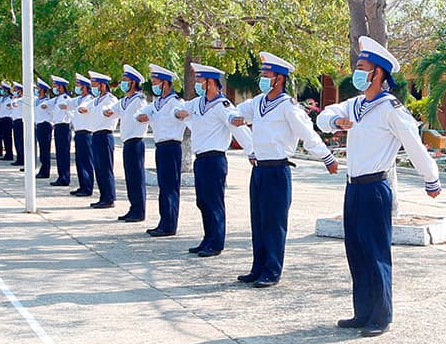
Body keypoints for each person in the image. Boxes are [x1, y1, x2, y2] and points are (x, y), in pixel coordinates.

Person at [317, 36, 443, 335]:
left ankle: (381, 315)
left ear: (379, 74)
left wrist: (431, 178)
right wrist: (336, 122)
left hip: (375, 188)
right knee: (356, 250)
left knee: (375, 251)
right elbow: (324, 116)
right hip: (354, 187)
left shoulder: (391, 108)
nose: (357, 73)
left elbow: (414, 144)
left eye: (363, 68)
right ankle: (362, 311)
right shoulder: (356, 105)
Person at [228, 52, 339, 288]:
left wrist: (327, 157)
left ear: (279, 79)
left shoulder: (289, 107)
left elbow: (307, 135)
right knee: (258, 220)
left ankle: (272, 270)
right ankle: (258, 267)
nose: (263, 79)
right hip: (259, 169)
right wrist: (236, 118)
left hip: (278, 169)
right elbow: (236, 111)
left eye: (267, 75)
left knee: (274, 222)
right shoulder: (258, 102)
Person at [181, 62, 252, 257]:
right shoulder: (198, 103)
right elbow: (181, 110)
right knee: (202, 201)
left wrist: (252, 151)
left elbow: (237, 126)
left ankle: (216, 242)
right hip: (200, 158)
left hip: (215, 159)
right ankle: (207, 238)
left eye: (200, 80)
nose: (197, 83)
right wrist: (177, 113)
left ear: (210, 82)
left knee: (214, 202)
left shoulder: (223, 105)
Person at [140, 65, 186, 237]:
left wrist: (179, 114)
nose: (154, 85)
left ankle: (170, 224)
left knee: (170, 187)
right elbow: (141, 114)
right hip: (160, 147)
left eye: (156, 82)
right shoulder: (157, 103)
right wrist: (145, 116)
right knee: (163, 186)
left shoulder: (175, 102)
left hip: (172, 147)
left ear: (166, 83)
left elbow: (179, 113)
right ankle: (163, 220)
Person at [116, 65, 151, 223]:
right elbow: (113, 109)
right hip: (127, 142)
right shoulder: (125, 100)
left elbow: (145, 114)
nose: (123, 83)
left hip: (136, 141)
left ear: (134, 83)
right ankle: (133, 207)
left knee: (136, 177)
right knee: (130, 177)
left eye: (126, 80)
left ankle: (139, 210)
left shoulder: (139, 100)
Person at [87, 71, 121, 208]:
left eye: (95, 85)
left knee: (106, 167)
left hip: (105, 135)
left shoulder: (110, 99)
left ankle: (109, 197)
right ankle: (103, 196)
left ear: (102, 85)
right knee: (99, 168)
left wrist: (107, 110)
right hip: (95, 135)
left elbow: (111, 109)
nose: (93, 88)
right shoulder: (96, 100)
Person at [71, 75, 96, 196]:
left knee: (86, 161)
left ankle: (87, 187)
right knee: (80, 161)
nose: (76, 87)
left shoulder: (89, 99)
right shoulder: (79, 99)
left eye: (78, 85)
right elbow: (68, 103)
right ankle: (82, 186)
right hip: (79, 133)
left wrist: (81, 108)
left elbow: (83, 108)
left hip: (86, 133)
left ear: (85, 87)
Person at [48, 76, 75, 187]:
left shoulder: (66, 99)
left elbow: (72, 114)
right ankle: (61, 176)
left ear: (60, 87)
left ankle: (65, 177)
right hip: (58, 127)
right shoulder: (58, 99)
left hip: (64, 127)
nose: (54, 88)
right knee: (60, 153)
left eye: (55, 86)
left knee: (64, 154)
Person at [32, 78, 54, 180]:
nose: (36, 89)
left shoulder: (47, 102)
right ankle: (42, 169)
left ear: (42, 90)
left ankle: (45, 171)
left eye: (38, 88)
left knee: (45, 149)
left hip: (45, 125)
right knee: (41, 149)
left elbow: (52, 114)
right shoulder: (36, 101)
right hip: (38, 125)